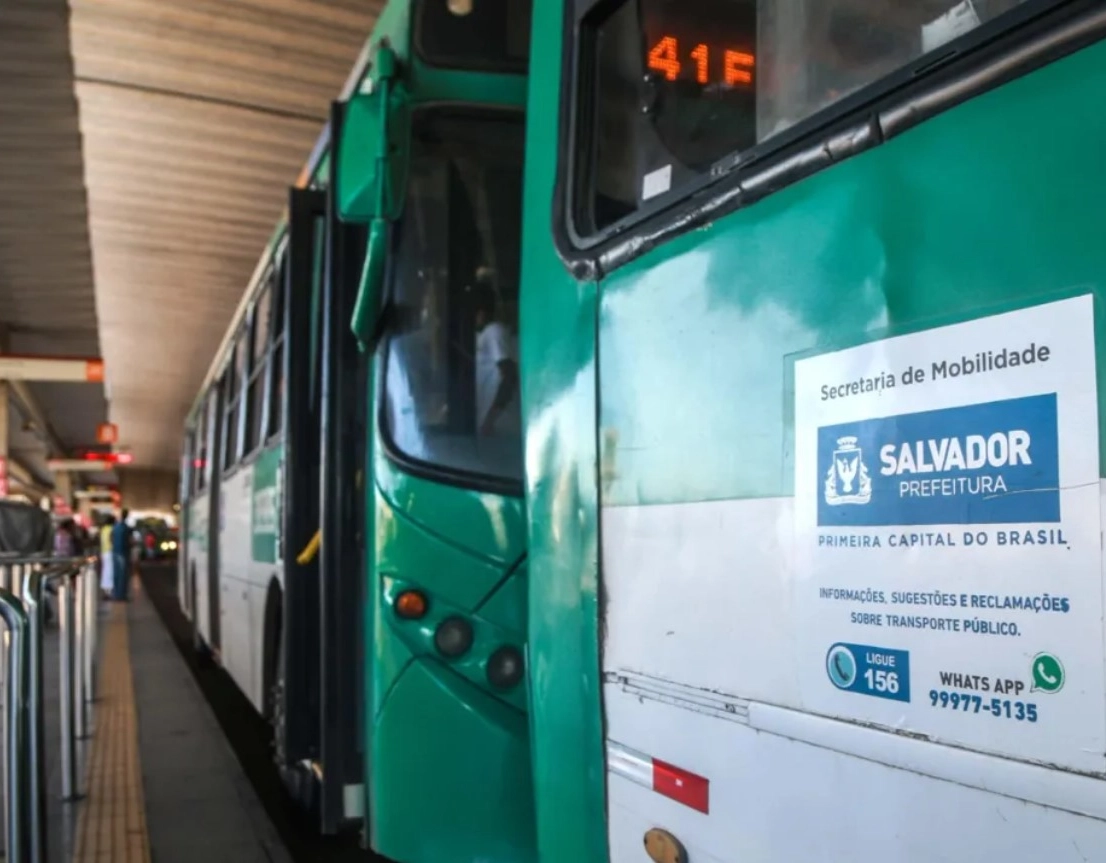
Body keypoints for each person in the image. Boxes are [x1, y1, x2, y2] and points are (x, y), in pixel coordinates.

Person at [474, 289, 520, 438]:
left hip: (500, 424)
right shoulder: (483, 335)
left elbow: (510, 376)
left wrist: (490, 420)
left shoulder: (494, 331)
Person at [111, 509, 131, 601]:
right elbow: (126, 542)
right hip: (122, 553)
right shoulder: (124, 527)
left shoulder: (115, 527)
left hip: (116, 552)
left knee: (117, 575)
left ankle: (117, 594)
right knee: (122, 575)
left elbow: (111, 539)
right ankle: (121, 595)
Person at [99, 515, 116, 600]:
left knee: (105, 571)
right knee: (110, 571)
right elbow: (111, 539)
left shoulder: (103, 529)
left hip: (104, 552)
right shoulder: (111, 529)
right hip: (110, 552)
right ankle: (109, 591)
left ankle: (106, 590)